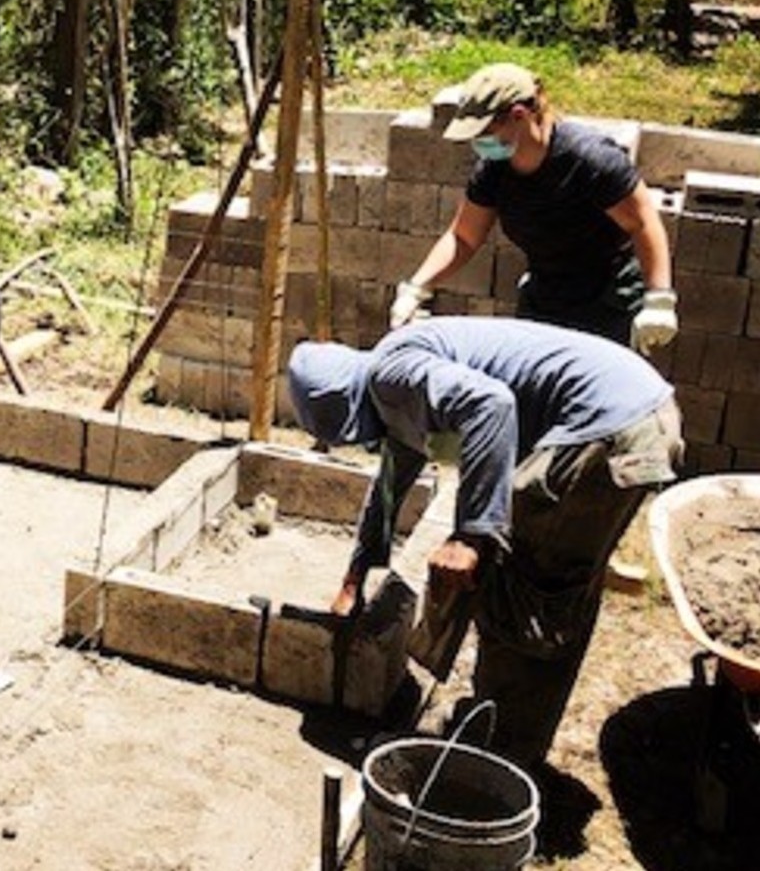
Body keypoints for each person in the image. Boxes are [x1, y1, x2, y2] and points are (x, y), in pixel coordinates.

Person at [287, 317, 682, 770]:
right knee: (554, 589)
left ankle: (492, 766)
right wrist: (356, 577)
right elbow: (391, 486)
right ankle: (503, 743)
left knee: (521, 598)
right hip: (637, 415)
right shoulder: (398, 382)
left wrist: (471, 535)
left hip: (606, 428)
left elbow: (492, 405)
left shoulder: (392, 376)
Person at [390, 63, 677, 353]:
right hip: (546, 293)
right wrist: (417, 287)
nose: (479, 143)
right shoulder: (494, 171)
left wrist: (659, 299)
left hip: (606, 299)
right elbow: (463, 237)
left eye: (485, 132)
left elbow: (642, 223)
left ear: (519, 115)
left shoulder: (590, 160)